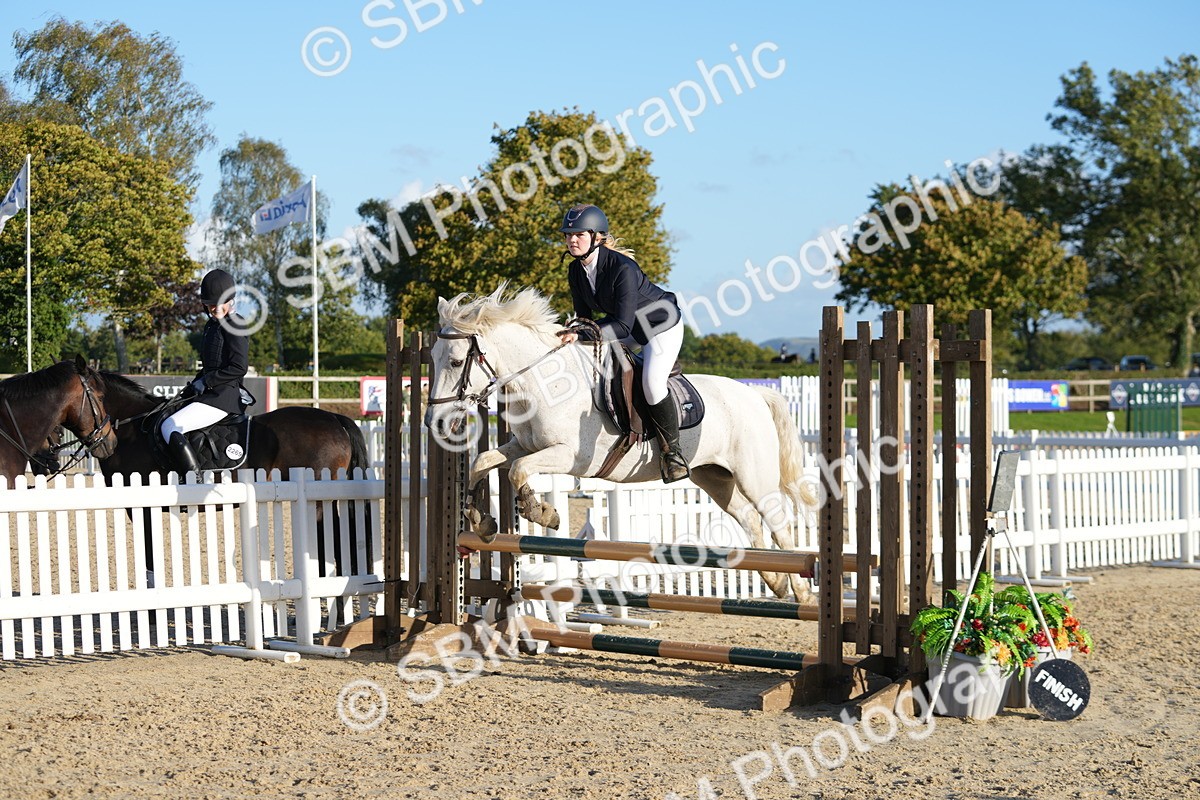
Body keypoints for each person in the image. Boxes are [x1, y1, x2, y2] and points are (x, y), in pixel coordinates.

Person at [556, 204, 690, 483]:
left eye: (578, 234)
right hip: (626, 325)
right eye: (568, 235)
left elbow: (622, 326)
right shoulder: (575, 270)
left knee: (653, 383)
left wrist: (581, 334)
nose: (571, 240)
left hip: (659, 325)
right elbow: (584, 318)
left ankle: (672, 453)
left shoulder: (622, 268)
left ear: (597, 237)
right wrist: (570, 332)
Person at [160, 268, 250, 474]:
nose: (214, 308)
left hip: (223, 397)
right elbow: (210, 366)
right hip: (209, 394)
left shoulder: (236, 324)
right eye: (210, 304)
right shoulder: (211, 326)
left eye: (218, 303)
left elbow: (238, 367)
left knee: (170, 426)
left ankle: (194, 481)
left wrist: (207, 382)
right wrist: (195, 384)